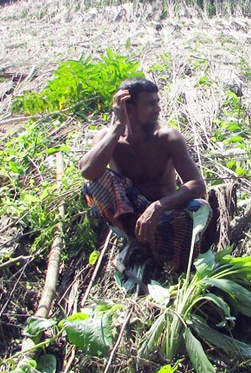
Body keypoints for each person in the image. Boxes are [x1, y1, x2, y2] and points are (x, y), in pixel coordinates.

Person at [79, 78, 209, 282]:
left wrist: (157, 207)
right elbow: (88, 171)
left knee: (199, 207)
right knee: (95, 180)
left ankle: (164, 257)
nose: (158, 109)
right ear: (128, 109)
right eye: (150, 104)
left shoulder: (167, 137)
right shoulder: (108, 137)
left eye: (157, 102)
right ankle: (136, 242)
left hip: (166, 217)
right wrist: (117, 127)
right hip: (130, 220)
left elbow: (197, 185)